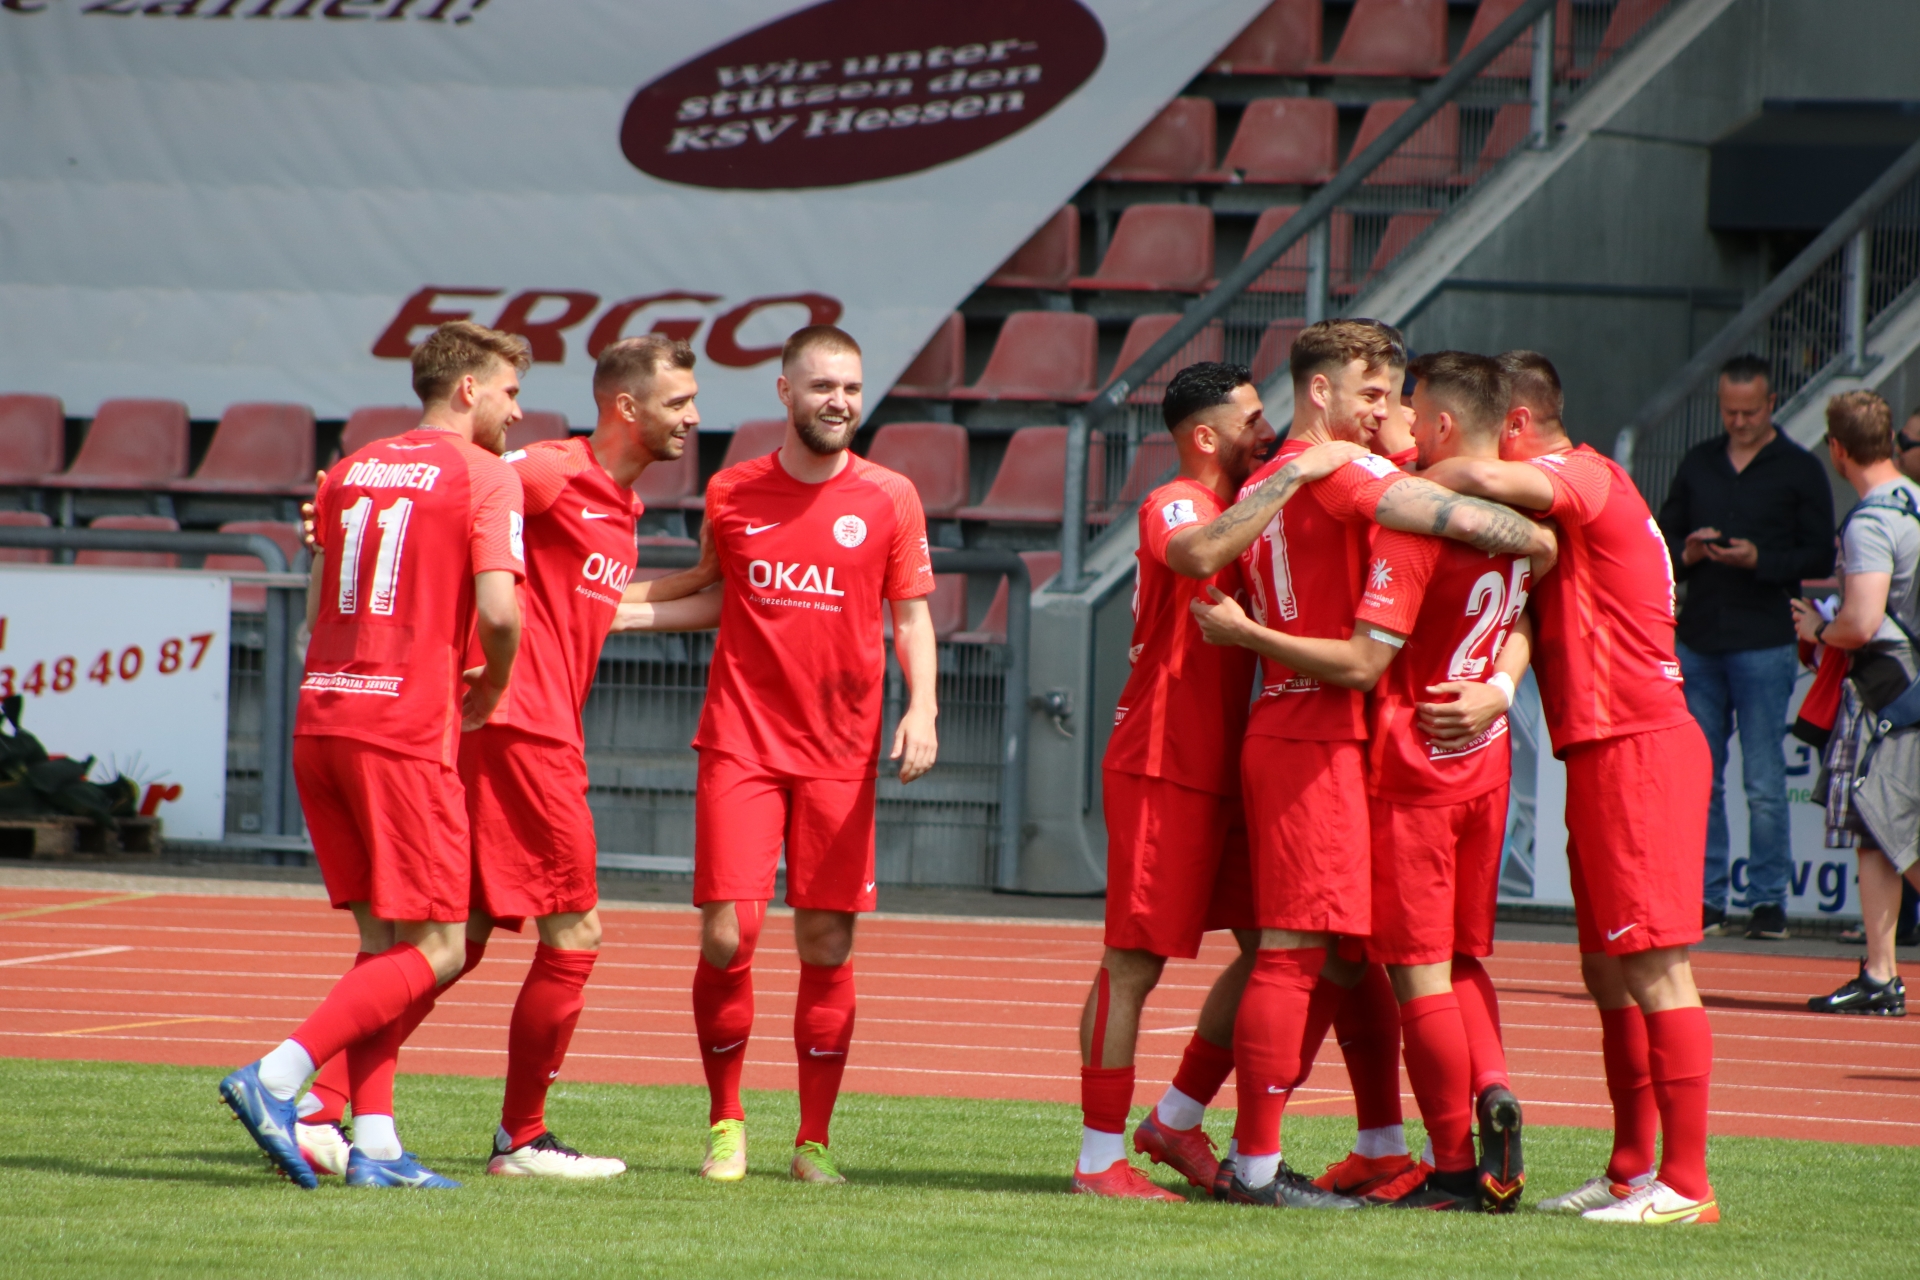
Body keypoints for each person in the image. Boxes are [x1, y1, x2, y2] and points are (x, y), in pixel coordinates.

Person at [289, 336, 717, 1181]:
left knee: (461, 937)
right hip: (519, 728)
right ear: (626, 406)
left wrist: (711, 580)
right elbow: (455, 499)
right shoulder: (549, 471)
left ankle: (319, 1106)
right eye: (679, 402)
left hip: (514, 728)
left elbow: (600, 604)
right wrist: (347, 518)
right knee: (576, 933)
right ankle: (521, 1137)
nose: (694, 418)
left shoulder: (619, 505)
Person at [1165, 320, 1555, 1210]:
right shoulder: (1346, 474)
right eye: (1371, 394)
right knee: (1299, 957)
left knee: (1343, 960)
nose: (1386, 412)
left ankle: (1364, 1143)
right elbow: (1456, 519)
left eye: (1393, 396)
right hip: (1322, 733)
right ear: (1320, 392)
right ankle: (1260, 1167)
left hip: (1311, 731)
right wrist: (1541, 543)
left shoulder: (1276, 478)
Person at [219, 321, 529, 1190]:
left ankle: (378, 1147)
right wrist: (495, 682)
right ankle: (279, 1076)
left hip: (323, 719)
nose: (517, 411)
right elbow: (499, 613)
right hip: (403, 729)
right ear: (468, 388)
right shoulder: (486, 475)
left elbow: (322, 595)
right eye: (510, 392)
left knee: (383, 945)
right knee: (441, 947)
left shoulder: (352, 468)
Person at [1420, 351, 1718, 1226]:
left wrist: (1381, 476)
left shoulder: (1583, 473)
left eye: (1487, 427)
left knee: (1656, 968)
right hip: (1602, 751)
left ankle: (1687, 1185)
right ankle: (1631, 1169)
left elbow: (1480, 476)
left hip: (1638, 745)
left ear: (1516, 425)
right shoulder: (1563, 499)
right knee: (1608, 971)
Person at [1070, 363, 1364, 1200]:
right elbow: (1196, 551)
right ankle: (1097, 1160)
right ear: (1205, 436)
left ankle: (1176, 1118)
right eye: (1251, 420)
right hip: (1165, 760)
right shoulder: (1179, 500)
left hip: (1239, 762)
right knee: (1134, 964)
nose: (1268, 433)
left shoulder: (1248, 509)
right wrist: (1295, 475)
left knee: (1287, 952)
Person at [683, 325, 938, 1186]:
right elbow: (713, 594)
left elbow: (910, 615)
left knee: (826, 941)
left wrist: (924, 708)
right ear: (785, 392)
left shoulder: (892, 496)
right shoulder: (731, 490)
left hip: (841, 749)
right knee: (730, 933)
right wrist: (603, 612)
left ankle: (813, 1142)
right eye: (823, 386)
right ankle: (727, 1123)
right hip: (741, 740)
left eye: (851, 388)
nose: (839, 401)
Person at [1658, 354, 1834, 940]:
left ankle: (1767, 901)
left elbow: (1820, 553)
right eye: (1730, 411)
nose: (1738, 421)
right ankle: (1707, 898)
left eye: (1750, 412)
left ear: (1771, 404)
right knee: (1700, 778)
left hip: (1763, 637)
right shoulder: (1700, 461)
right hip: (1701, 635)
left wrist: (1762, 561)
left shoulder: (1799, 468)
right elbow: (1663, 534)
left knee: (1763, 781)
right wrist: (1689, 553)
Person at [1796, 391, 1920, 1017]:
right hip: (1907, 687)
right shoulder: (1915, 502)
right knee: (1878, 829)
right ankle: (1879, 972)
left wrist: (1819, 629)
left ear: (1837, 449)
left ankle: (1880, 974)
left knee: (1896, 829)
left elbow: (1863, 621)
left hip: (1888, 692)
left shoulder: (1871, 521)